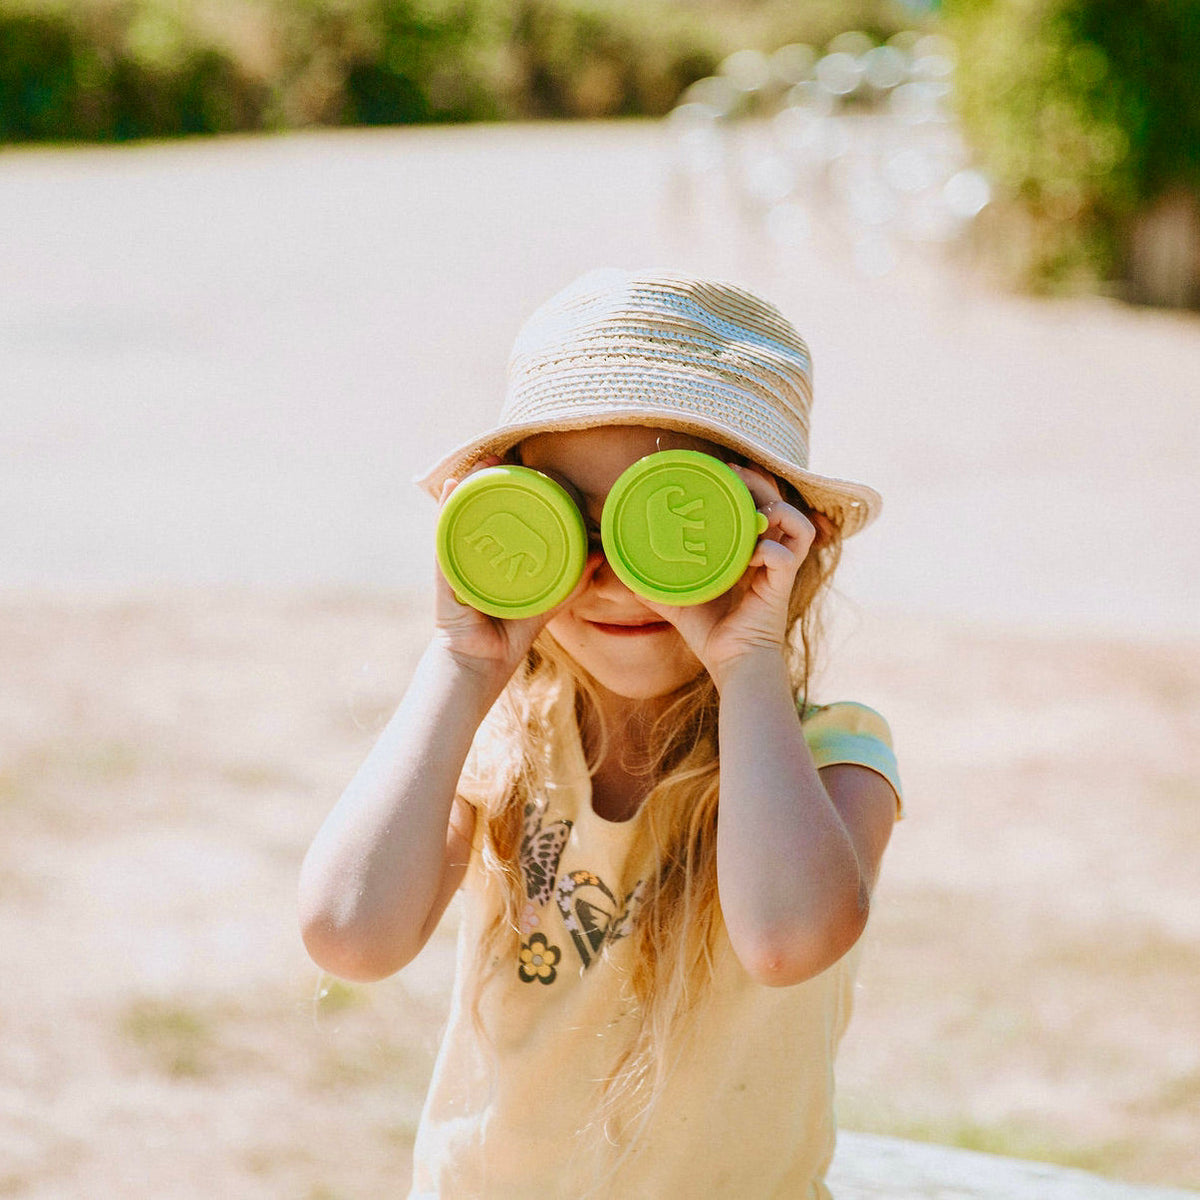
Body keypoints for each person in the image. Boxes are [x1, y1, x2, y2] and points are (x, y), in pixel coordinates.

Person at [299, 268, 904, 1198]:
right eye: (566, 521)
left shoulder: (834, 757)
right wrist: (461, 663)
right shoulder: (502, 746)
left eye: (672, 523)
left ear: (793, 536)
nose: (618, 578)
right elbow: (349, 935)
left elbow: (786, 939)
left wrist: (745, 660)